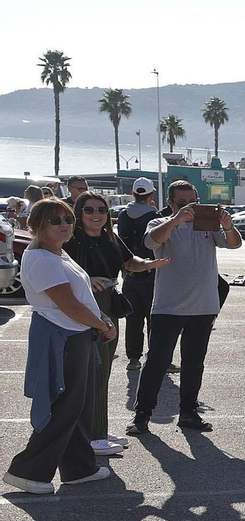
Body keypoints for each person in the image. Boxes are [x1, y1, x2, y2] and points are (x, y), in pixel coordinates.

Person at [4, 199, 118, 494]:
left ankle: (79, 469)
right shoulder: (42, 257)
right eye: (55, 221)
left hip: (75, 333)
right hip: (62, 335)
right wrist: (102, 325)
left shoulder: (58, 253)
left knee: (78, 405)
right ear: (37, 225)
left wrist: (100, 318)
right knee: (63, 407)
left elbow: (80, 298)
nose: (65, 224)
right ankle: (27, 471)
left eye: (68, 219)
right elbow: (68, 305)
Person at [127, 181, 241, 436]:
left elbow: (233, 243)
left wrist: (228, 225)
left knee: (194, 363)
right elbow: (150, 243)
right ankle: (142, 415)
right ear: (170, 204)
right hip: (168, 307)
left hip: (203, 307)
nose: (190, 207)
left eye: (194, 201)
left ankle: (188, 412)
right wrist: (177, 219)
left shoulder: (207, 224)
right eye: (183, 203)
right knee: (157, 361)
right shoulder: (160, 223)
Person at [64, 193, 163, 456]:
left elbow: (129, 262)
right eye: (89, 210)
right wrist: (87, 278)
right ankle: (92, 437)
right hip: (86, 305)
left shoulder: (110, 237)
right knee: (92, 372)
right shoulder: (70, 240)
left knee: (103, 371)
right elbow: (61, 273)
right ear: (78, 212)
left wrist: (150, 264)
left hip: (109, 303)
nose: (96, 214)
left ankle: (97, 430)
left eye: (102, 209)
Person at [116, 177, 161, 369]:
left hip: (129, 271)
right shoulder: (156, 216)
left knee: (133, 319)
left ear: (133, 194)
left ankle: (133, 358)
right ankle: (157, 357)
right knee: (155, 319)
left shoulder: (123, 215)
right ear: (151, 195)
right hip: (152, 271)